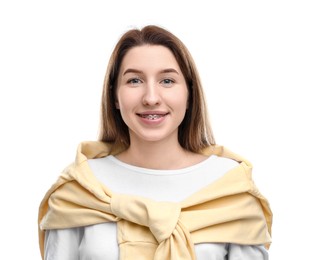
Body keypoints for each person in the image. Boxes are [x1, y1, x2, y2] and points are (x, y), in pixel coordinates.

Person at [38, 25, 272, 260]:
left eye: (167, 81)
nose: (151, 98)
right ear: (114, 96)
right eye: (134, 81)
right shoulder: (78, 190)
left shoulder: (232, 190)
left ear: (189, 94)